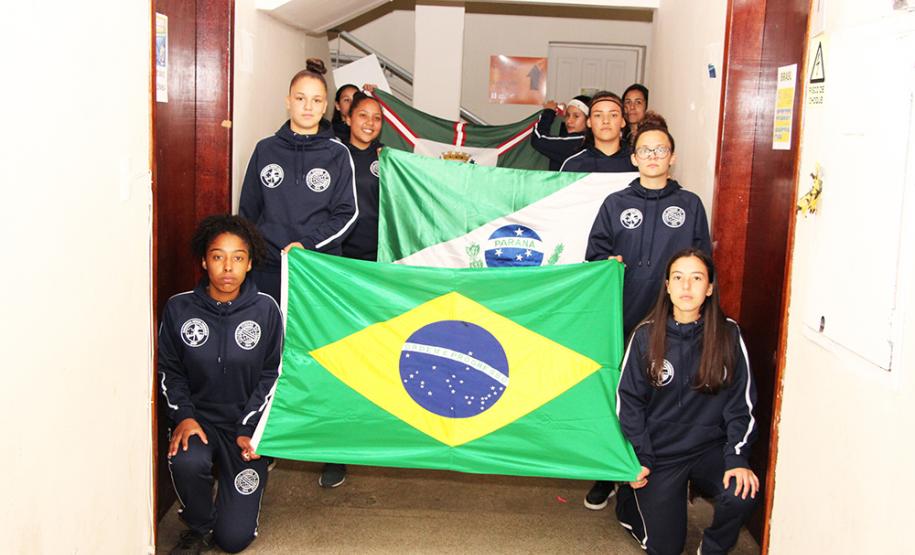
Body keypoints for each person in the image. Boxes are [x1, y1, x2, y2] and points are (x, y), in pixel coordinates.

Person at [583, 112, 711, 510]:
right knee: (619, 398)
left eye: (661, 150)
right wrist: (609, 261)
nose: (653, 156)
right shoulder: (615, 203)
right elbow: (594, 258)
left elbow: (703, 261)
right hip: (623, 319)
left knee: (667, 395)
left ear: (671, 157)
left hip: (674, 323)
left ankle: (661, 473)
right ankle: (608, 472)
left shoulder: (689, 205)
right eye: (645, 150)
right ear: (634, 157)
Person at [615, 248, 758, 554]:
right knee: (665, 548)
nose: (686, 286)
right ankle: (628, 503)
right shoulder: (644, 335)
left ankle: (713, 547)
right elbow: (628, 402)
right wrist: (641, 457)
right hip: (659, 453)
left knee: (741, 492)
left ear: (709, 288)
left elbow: (741, 404)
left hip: (709, 449)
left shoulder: (729, 335)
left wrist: (736, 457)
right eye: (678, 278)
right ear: (667, 285)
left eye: (696, 278)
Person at [159, 215, 283, 554]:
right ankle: (197, 524)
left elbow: (273, 374)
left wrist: (251, 428)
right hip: (198, 421)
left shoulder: (266, 310)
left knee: (232, 540)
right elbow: (170, 370)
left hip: (244, 428)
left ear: (250, 263)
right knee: (186, 459)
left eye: (238, 257)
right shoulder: (179, 308)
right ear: (204, 260)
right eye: (218, 256)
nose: (227, 267)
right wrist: (183, 415)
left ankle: (230, 514)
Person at [239, 59, 358, 304]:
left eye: (316, 100)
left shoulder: (337, 154)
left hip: (317, 266)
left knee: (314, 340)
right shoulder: (265, 149)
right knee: (271, 337)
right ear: (288, 101)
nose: (308, 107)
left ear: (325, 105)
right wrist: (251, 255)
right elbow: (248, 212)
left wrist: (308, 245)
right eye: (300, 98)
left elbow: (347, 213)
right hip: (268, 267)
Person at [342, 90, 384, 261]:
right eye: (363, 115)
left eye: (377, 118)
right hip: (340, 253)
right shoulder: (335, 155)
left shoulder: (387, 158)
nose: (370, 123)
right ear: (348, 119)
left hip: (377, 252)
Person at [559, 91, 637, 173]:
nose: (606, 121)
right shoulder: (573, 165)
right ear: (589, 122)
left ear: (622, 121)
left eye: (613, 115)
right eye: (598, 115)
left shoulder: (639, 162)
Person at [530, 95, 590, 170]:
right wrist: (560, 117)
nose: (569, 121)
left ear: (589, 121)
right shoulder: (586, 141)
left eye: (576, 116)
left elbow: (538, 138)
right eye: (568, 115)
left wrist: (548, 112)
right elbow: (563, 137)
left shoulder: (578, 143)